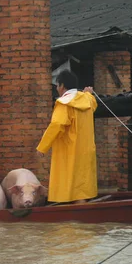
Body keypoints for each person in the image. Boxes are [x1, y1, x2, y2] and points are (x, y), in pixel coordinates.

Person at [36, 70, 98, 204]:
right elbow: (92, 102)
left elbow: (57, 124)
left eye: (57, 86)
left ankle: (72, 219)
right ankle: (82, 213)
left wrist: (43, 147)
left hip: (69, 151)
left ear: (62, 86)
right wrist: (88, 93)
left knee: (69, 185)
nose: (57, 89)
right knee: (81, 187)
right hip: (86, 151)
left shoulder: (64, 103)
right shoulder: (87, 99)